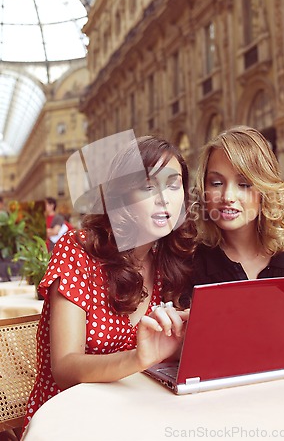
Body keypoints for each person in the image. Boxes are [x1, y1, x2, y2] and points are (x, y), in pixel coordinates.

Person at [23, 135, 195, 431]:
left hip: (134, 412)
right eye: (147, 186)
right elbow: (64, 368)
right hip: (69, 419)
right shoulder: (78, 249)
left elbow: (164, 354)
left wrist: (187, 337)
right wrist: (139, 357)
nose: (163, 198)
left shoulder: (168, 261)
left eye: (173, 184)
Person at [191, 126, 284, 371]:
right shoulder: (192, 260)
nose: (228, 196)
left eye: (244, 184)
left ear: (264, 189)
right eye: (216, 182)